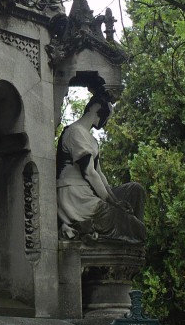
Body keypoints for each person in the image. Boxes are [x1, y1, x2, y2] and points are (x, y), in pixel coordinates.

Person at [56, 94, 145, 243]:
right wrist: (113, 202)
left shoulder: (91, 140)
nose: (105, 120)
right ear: (94, 108)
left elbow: (99, 173)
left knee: (135, 190)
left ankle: (133, 239)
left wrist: (115, 199)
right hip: (76, 197)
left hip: (91, 194)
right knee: (131, 224)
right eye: (106, 115)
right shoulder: (75, 132)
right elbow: (89, 173)